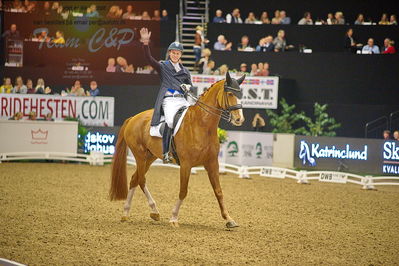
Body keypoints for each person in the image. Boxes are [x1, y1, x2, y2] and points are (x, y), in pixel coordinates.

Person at [140, 28, 193, 163]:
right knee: (170, 121)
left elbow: (190, 85)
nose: (175, 55)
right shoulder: (163, 66)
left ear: (180, 55)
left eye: (178, 53)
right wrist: (145, 43)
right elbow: (149, 59)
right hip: (169, 100)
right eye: (173, 53)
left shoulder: (185, 71)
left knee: (192, 118)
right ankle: (165, 153)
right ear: (169, 53)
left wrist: (187, 87)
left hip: (182, 100)